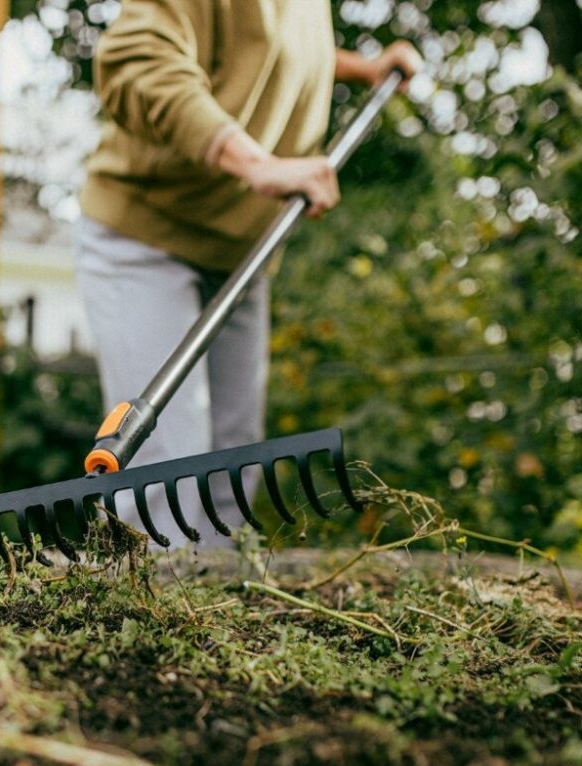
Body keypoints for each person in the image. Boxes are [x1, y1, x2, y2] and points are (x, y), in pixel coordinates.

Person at [75, 0, 421, 546]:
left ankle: (210, 595)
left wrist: (363, 68)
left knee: (232, 468)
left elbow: (265, 48)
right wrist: (255, 163)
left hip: (242, 250)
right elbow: (136, 61)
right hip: (145, 237)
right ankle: (142, 596)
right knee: (167, 471)